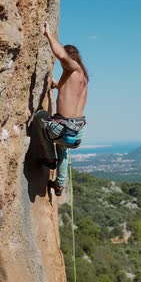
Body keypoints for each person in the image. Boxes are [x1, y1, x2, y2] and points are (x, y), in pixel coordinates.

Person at [42, 21, 89, 196]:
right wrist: (53, 84)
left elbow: (62, 56)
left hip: (62, 128)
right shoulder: (81, 77)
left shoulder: (74, 67)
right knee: (62, 150)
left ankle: (48, 158)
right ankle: (59, 185)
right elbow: (61, 86)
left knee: (38, 121)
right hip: (77, 133)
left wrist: (47, 33)